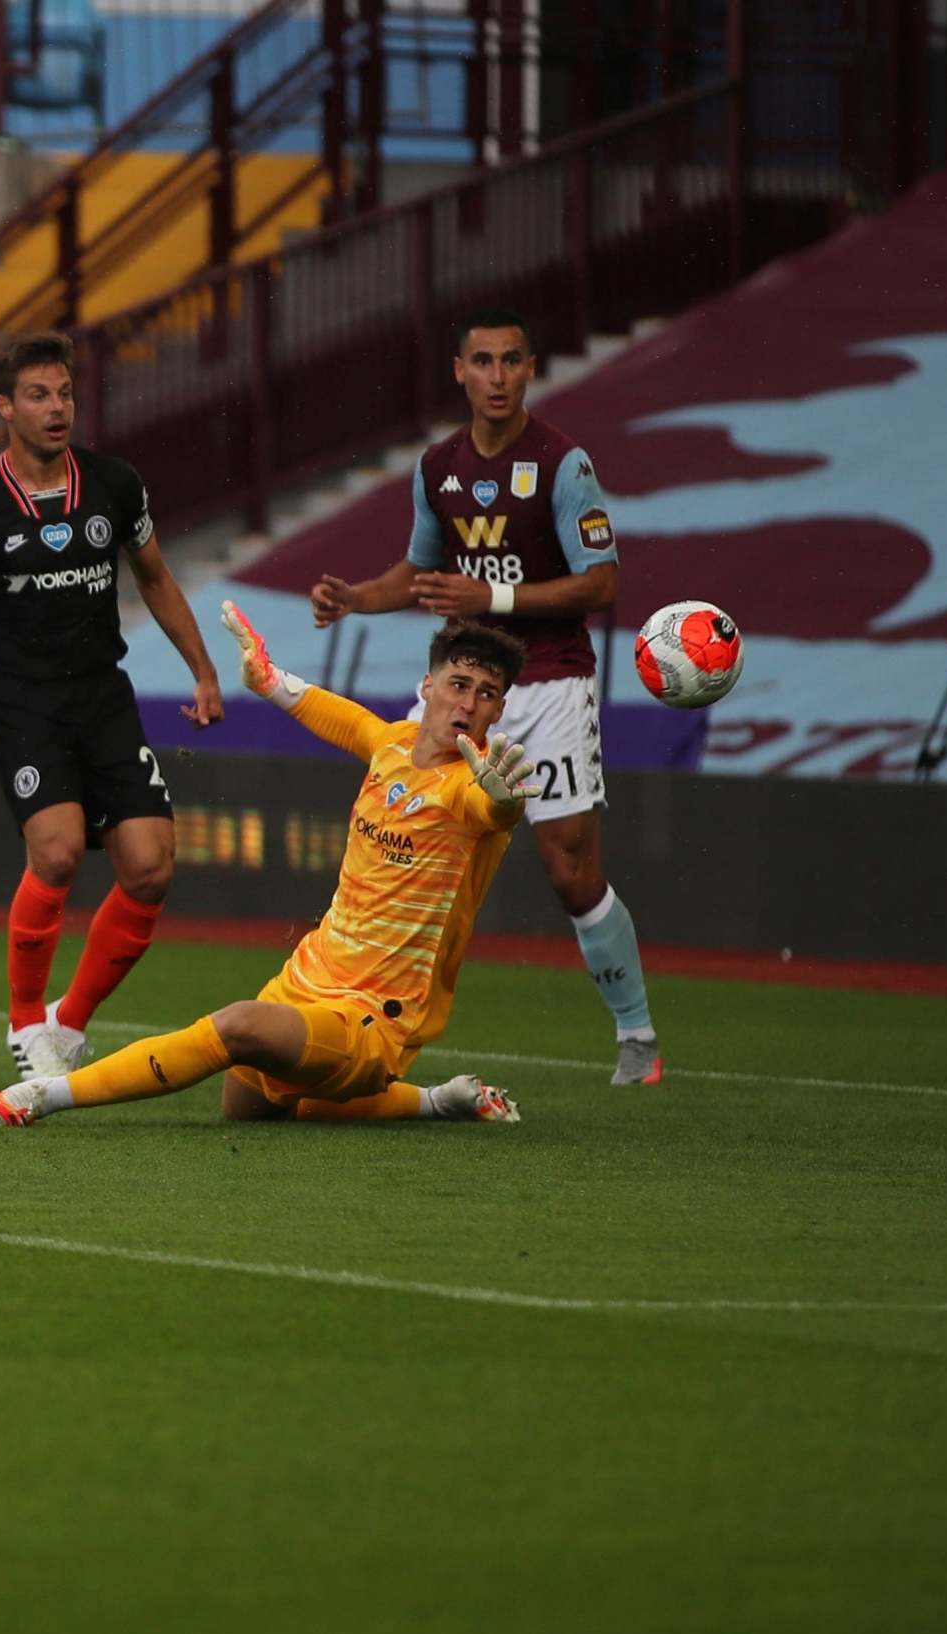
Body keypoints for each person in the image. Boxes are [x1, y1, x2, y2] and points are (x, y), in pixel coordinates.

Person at [0, 603, 525, 1129]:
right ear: (427, 688)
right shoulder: (393, 745)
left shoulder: (469, 791)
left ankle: (45, 1096)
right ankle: (437, 1101)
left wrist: (505, 801)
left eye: (487, 694)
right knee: (249, 1109)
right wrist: (265, 677)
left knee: (235, 1025)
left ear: (499, 711)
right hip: (307, 979)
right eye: (458, 684)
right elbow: (336, 714)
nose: (469, 703)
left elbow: (494, 811)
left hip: (373, 1019)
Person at [307, 307, 660, 1086]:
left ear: (531, 369)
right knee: (407, 848)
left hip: (552, 684)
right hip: (466, 692)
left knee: (569, 871)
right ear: (460, 373)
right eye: (483, 362)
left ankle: (636, 1034)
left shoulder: (565, 466)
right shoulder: (438, 466)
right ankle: (367, 1016)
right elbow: (420, 572)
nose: (497, 377)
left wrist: (491, 596)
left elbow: (602, 581)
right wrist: (357, 597)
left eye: (511, 362)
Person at [0, 329, 225, 1084]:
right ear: (4, 408)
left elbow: (154, 577)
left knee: (151, 866)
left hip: (102, 694)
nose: (56, 408)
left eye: (64, 393)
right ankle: (25, 1024)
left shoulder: (114, 484)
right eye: (37, 395)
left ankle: (70, 1021)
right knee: (55, 851)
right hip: (24, 700)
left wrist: (203, 670)